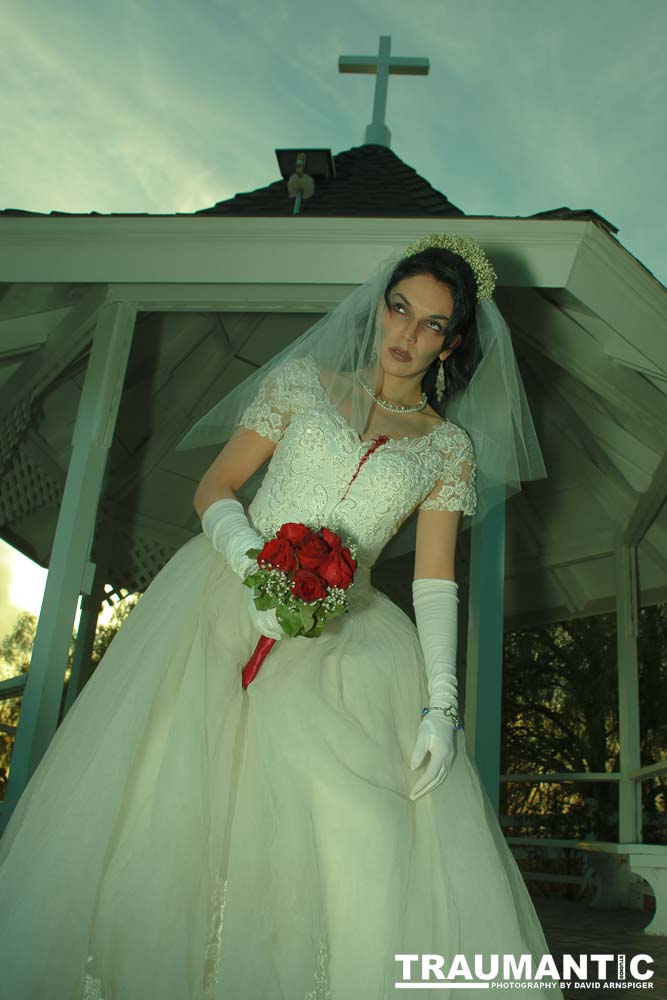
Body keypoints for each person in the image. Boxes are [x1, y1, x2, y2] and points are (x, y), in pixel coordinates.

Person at [0, 233, 562, 999]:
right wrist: (253, 568)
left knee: (356, 822)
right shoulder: (303, 383)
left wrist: (441, 705)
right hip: (221, 601)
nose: (404, 334)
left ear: (451, 341)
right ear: (380, 306)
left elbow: (435, 582)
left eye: (430, 324)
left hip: (349, 641)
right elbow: (214, 487)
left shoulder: (447, 450)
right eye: (399, 309)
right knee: (171, 796)